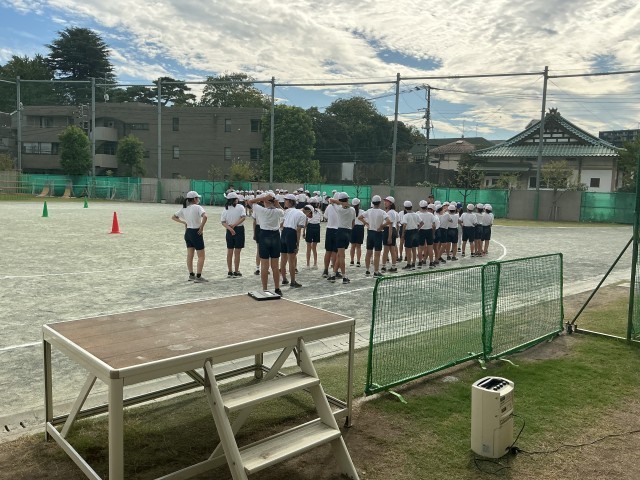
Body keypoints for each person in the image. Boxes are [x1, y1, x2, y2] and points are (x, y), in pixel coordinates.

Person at [246, 191, 284, 295]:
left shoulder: (261, 210)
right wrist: (277, 204)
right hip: (275, 236)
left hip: (264, 235)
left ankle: (265, 289)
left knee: (264, 266)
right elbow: (284, 212)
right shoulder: (278, 211)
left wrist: (262, 198)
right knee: (275, 266)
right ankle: (277, 288)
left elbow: (249, 202)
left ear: (265, 201)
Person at [171, 190, 208, 283]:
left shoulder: (184, 208)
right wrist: (201, 227)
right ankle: (198, 276)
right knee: (201, 256)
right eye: (197, 198)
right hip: (196, 232)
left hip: (188, 232)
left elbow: (173, 217)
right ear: (194, 199)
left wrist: (184, 222)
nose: (198, 199)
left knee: (190, 255)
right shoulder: (198, 207)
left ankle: (191, 275)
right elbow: (205, 216)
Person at [326, 192, 356, 284]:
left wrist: (340, 203)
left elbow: (331, 200)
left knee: (341, 256)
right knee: (340, 255)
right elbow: (353, 223)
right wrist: (345, 203)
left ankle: (344, 276)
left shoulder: (339, 208)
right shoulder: (352, 209)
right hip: (348, 232)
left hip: (340, 231)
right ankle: (333, 274)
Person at [359, 195, 390, 277]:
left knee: (368, 252)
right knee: (377, 253)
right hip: (378, 233)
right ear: (379, 203)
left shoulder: (369, 211)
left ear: (372, 203)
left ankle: (367, 270)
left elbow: (360, 217)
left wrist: (366, 223)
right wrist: (382, 226)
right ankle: (376, 271)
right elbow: (389, 221)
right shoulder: (382, 212)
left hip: (370, 233)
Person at [280, 194, 306, 288]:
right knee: (291, 260)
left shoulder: (287, 211)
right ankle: (293, 281)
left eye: (286, 200)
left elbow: (281, 225)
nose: (284, 202)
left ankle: (284, 279)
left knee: (283, 258)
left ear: (291, 202)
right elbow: (298, 230)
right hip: (291, 233)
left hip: (284, 233)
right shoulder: (302, 215)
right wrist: (297, 244)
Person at [221, 191, 246, 277]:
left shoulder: (226, 208)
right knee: (237, 252)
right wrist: (234, 225)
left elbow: (223, 222)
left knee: (230, 251)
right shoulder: (240, 207)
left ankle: (230, 271)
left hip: (229, 230)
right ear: (235, 200)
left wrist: (230, 229)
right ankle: (236, 270)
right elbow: (243, 217)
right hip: (239, 229)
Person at [304, 197, 322, 269]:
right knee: (314, 247)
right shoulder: (319, 211)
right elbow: (320, 220)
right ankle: (315, 264)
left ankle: (308, 264)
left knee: (308, 247)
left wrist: (304, 231)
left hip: (310, 227)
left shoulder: (307, 210)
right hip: (317, 227)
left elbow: (306, 221)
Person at [349, 198, 365, 267]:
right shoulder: (362, 211)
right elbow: (365, 221)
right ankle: (358, 261)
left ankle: (352, 261)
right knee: (358, 246)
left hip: (352, 227)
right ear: (359, 204)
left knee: (352, 246)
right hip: (360, 228)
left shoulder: (350, 211)